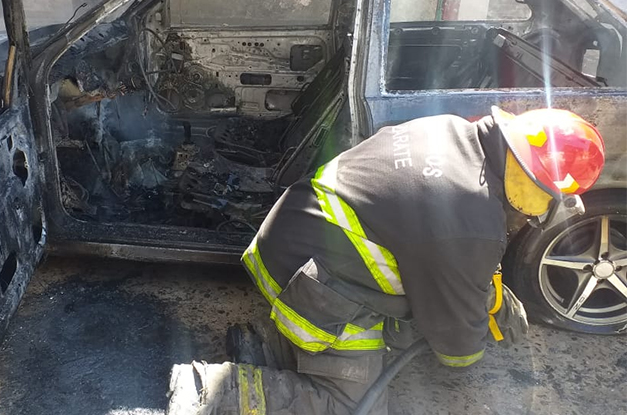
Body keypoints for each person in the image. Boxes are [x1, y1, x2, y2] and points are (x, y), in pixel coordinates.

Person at [166, 106, 605, 415]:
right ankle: (213, 392)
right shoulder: (470, 219)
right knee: (354, 406)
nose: (538, 213)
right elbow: (455, 349)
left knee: (404, 322)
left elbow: (437, 247)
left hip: (290, 237)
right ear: (529, 179)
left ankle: (271, 347)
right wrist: (473, 340)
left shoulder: (454, 130)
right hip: (309, 282)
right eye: (547, 200)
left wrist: (488, 296)